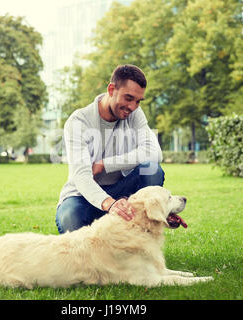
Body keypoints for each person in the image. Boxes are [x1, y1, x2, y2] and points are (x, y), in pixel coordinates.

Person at [55, 64, 165, 234]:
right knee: (70, 217)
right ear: (112, 89)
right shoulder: (79, 122)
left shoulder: (135, 113)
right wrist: (110, 204)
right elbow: (82, 176)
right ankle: (98, 224)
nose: (133, 107)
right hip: (83, 194)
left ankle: (141, 239)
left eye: (138, 101)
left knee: (152, 170)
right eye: (128, 98)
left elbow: (154, 153)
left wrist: (105, 164)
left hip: (121, 189)